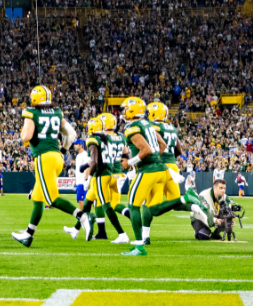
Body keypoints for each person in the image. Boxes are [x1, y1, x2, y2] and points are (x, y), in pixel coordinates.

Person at [11, 85, 80, 248]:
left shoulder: (31, 112)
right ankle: (28, 234)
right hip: (57, 156)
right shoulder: (56, 111)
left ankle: (82, 216)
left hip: (44, 157)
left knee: (51, 199)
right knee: (37, 197)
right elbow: (71, 134)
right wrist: (63, 149)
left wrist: (23, 134)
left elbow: (26, 136)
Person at [120, 96, 174, 257]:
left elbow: (146, 150)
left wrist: (130, 162)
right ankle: (186, 200)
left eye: (125, 109)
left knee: (133, 205)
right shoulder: (148, 124)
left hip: (148, 169)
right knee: (150, 206)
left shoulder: (132, 127)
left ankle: (139, 246)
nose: (123, 112)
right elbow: (162, 145)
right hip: (159, 167)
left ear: (131, 110)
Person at [65, 113, 129, 243]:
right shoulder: (114, 138)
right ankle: (78, 229)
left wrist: (88, 176)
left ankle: (123, 231)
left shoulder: (96, 139)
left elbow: (95, 160)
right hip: (115, 172)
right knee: (89, 200)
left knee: (107, 205)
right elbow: (124, 155)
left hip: (102, 174)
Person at [138, 101, 197, 243]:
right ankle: (199, 207)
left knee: (149, 202)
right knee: (174, 203)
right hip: (172, 165)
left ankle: (145, 236)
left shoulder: (152, 126)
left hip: (158, 166)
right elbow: (179, 150)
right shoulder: (171, 127)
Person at [72, 140, 90, 206]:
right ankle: (84, 214)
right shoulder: (78, 156)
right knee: (80, 200)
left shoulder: (85, 154)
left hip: (82, 180)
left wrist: (86, 179)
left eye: (76, 144)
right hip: (78, 180)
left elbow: (88, 167)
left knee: (81, 199)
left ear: (81, 145)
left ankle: (84, 215)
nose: (74, 146)